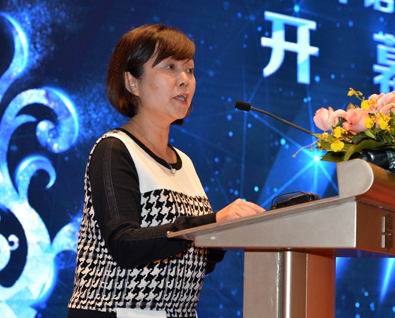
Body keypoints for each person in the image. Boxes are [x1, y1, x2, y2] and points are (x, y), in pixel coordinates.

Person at [67, 24, 264, 318]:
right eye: (170, 67)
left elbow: (192, 260)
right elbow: (124, 245)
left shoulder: (185, 162)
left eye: (190, 70)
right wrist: (211, 222)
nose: (185, 80)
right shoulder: (114, 149)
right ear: (132, 83)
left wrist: (228, 231)